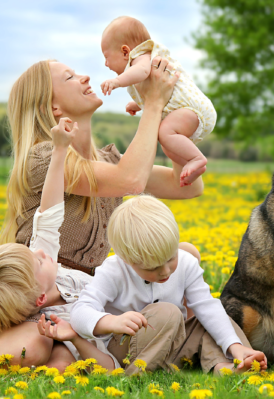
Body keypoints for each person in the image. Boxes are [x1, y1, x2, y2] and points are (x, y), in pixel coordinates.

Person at [0, 56, 204, 367]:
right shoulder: (44, 158)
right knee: (35, 347)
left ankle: (96, 346)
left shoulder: (109, 161)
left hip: (90, 294)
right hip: (38, 295)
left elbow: (187, 187)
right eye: (70, 77)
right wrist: (152, 103)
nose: (84, 77)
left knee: (184, 255)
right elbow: (131, 180)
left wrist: (169, 126)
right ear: (53, 108)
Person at [70, 195, 268, 375]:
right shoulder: (114, 270)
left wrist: (234, 345)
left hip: (174, 346)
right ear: (127, 259)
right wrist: (110, 322)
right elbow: (79, 312)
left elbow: (207, 307)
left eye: (171, 258)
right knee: (169, 312)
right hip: (127, 351)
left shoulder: (185, 263)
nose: (165, 271)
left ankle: (228, 364)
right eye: (153, 267)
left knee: (210, 316)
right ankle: (135, 374)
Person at [0, 115, 118, 371]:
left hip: (123, 290)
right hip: (126, 315)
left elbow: (49, 211)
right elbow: (105, 363)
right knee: (62, 362)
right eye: (39, 260)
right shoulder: (63, 320)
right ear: (41, 298)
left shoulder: (46, 268)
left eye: (33, 252)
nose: (41, 251)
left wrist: (60, 150)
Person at [100, 16, 217, 187]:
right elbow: (156, 95)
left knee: (165, 132)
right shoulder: (141, 63)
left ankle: (196, 158)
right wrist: (139, 104)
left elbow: (141, 71)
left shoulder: (140, 57)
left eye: (107, 57)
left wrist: (116, 82)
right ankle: (191, 167)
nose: (105, 64)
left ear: (125, 52)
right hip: (185, 111)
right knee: (168, 145)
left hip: (193, 109)